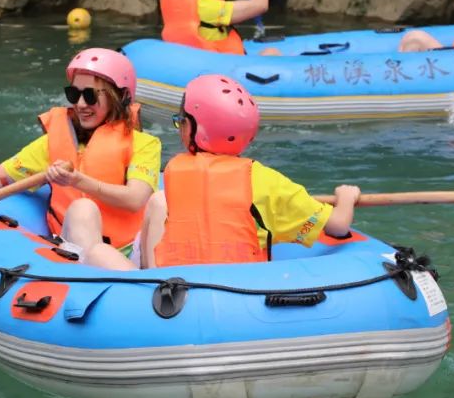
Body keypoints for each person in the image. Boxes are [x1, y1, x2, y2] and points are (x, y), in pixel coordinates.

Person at [86, 74, 360, 270]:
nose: (180, 128)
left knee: (102, 249)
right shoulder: (265, 180)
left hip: (173, 293)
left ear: (195, 129)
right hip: (241, 292)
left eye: (181, 122)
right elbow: (337, 226)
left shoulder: (175, 172)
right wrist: (346, 197)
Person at [0, 48, 160, 260]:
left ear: (119, 97)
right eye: (73, 94)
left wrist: (79, 181)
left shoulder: (144, 144)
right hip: (81, 252)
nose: (80, 104)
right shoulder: (52, 144)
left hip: (132, 248)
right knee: (82, 210)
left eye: (90, 96)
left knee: (161, 201)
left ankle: (150, 288)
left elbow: (135, 199)